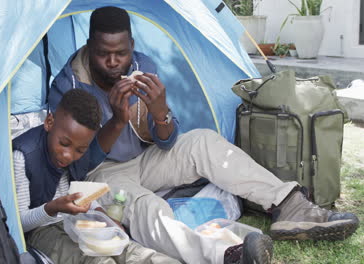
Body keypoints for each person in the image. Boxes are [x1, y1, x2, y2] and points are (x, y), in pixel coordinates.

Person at [48, 6, 359, 264]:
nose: (114, 63)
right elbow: (75, 165)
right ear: (89, 46)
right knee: (148, 207)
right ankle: (227, 253)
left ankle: (288, 205)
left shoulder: (144, 66)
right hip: (102, 173)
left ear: (131, 46)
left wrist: (160, 112)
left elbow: (167, 139)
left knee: (203, 142)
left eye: (122, 53)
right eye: (104, 54)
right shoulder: (68, 85)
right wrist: (117, 120)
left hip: (146, 159)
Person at [13, 89, 182, 264]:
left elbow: (78, 191)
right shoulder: (24, 156)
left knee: (129, 250)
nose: (68, 156)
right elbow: (20, 223)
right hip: (41, 229)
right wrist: (53, 208)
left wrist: (102, 215)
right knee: (96, 260)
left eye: (80, 150)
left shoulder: (79, 144)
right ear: (49, 122)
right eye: (64, 144)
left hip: (75, 218)